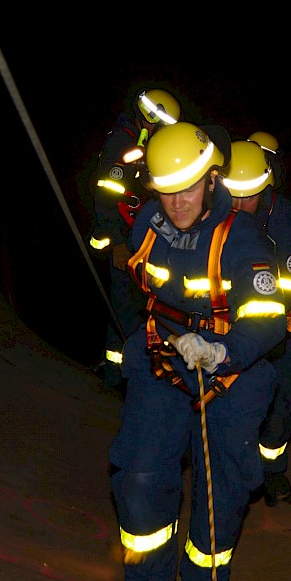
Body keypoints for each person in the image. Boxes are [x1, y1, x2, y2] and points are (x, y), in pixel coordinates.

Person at [108, 121, 288, 581]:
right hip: (163, 357)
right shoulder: (148, 221)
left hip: (230, 369)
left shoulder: (243, 238)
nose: (177, 202)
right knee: (140, 472)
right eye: (167, 190)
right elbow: (137, 279)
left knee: (225, 482)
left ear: (212, 179)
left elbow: (268, 317)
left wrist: (220, 350)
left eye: (188, 186)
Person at [222, 134, 291, 507]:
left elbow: (289, 287)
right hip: (233, 333)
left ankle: (273, 473)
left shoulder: (286, 220)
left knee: (279, 408)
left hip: (283, 335)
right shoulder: (216, 213)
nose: (241, 200)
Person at [83, 87, 182, 391]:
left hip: (142, 238)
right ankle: (129, 378)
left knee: (126, 312)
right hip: (125, 242)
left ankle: (116, 376)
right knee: (125, 311)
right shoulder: (124, 145)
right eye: (161, 126)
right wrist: (117, 241)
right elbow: (106, 195)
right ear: (150, 118)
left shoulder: (137, 142)